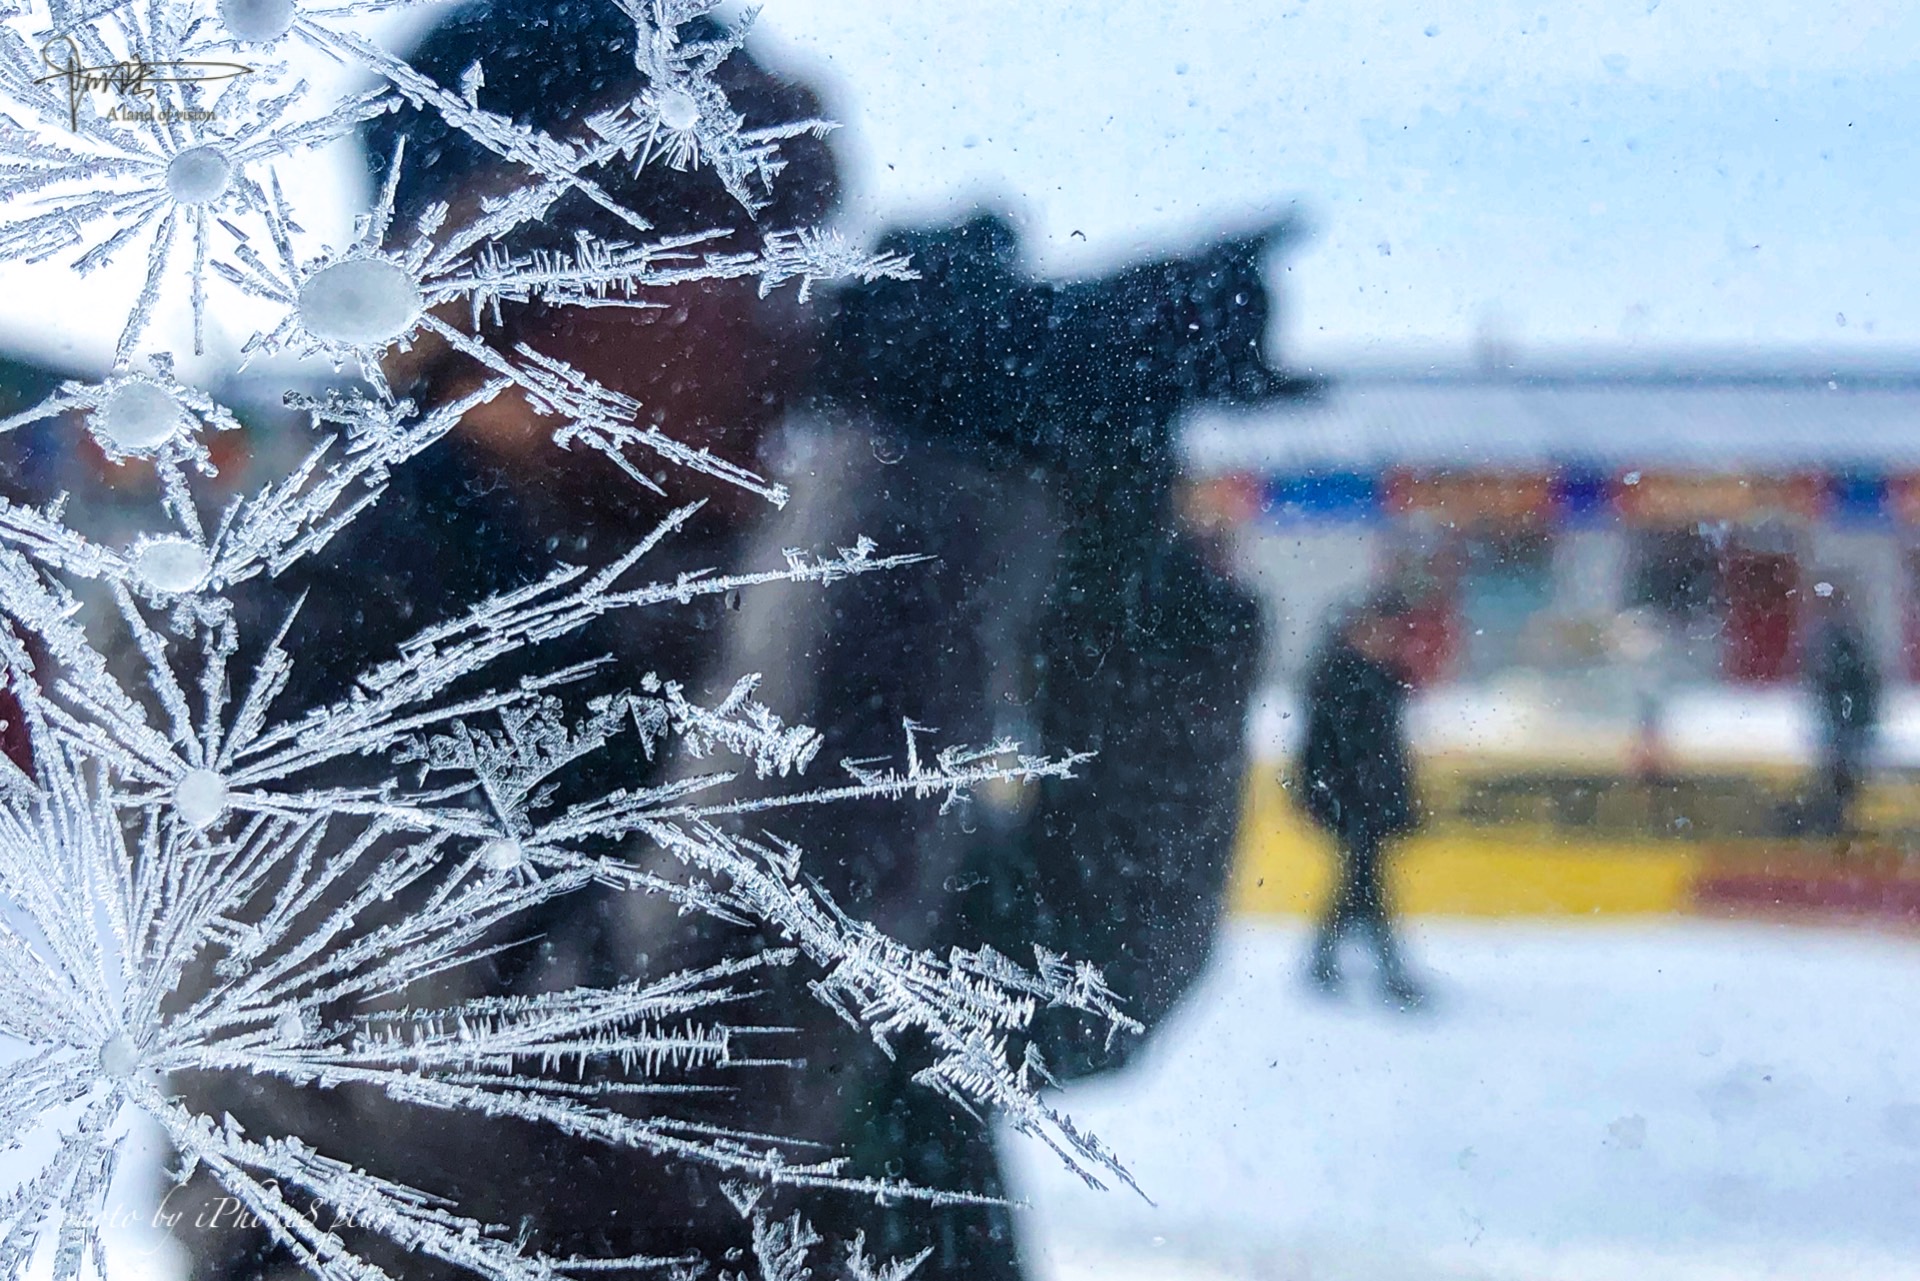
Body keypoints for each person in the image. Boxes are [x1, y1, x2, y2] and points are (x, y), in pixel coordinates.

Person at [176, 2, 1294, 1278]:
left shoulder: (741, 616)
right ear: (494, 285)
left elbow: (1063, 997)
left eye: (795, 224)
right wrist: (906, 489)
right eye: (713, 225)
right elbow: (645, 1105)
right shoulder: (243, 663)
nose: (793, 289)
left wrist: (1103, 524)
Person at [1296, 589, 1426, 1009]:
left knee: (1360, 886)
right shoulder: (1336, 681)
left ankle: (1327, 961)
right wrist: (1319, 795)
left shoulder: (1382, 679)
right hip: (1350, 801)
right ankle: (1388, 972)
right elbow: (1317, 750)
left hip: (1373, 800)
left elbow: (1390, 752)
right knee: (1365, 885)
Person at [1806, 577, 1879, 837]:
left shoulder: (1839, 639)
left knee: (1844, 772)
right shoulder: (1840, 637)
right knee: (1843, 773)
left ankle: (1841, 822)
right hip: (1842, 724)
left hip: (1844, 724)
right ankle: (1841, 822)